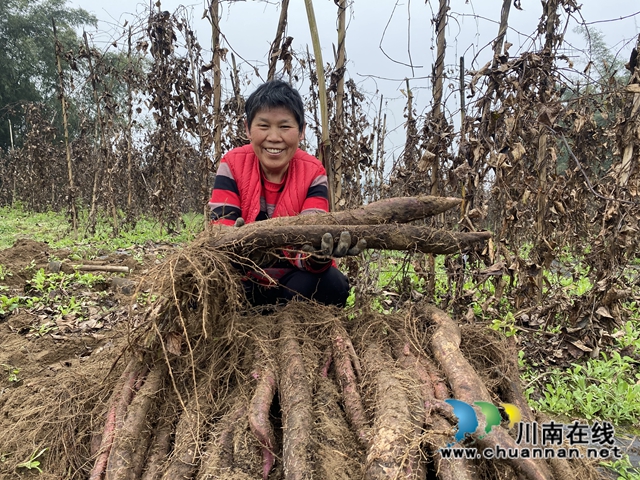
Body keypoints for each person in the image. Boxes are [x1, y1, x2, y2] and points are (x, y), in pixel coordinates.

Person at [208, 80, 364, 307]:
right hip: (243, 281)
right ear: (247, 129)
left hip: (292, 285)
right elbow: (221, 233)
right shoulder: (232, 165)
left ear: (302, 131)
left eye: (284, 126)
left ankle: (295, 325)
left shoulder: (313, 172)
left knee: (332, 283)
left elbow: (311, 238)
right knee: (206, 284)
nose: (274, 137)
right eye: (263, 126)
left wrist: (317, 256)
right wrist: (240, 248)